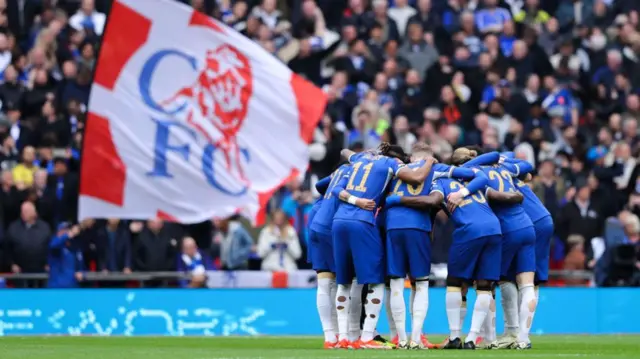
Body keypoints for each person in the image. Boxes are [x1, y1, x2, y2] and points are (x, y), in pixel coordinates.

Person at [389, 150, 511, 350]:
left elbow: (434, 200)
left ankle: (455, 336)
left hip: (469, 230)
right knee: (484, 285)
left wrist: (397, 200)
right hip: (494, 228)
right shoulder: (473, 178)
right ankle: (472, 338)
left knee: (454, 282)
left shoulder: (439, 181)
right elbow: (487, 167)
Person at [330, 143, 434, 349]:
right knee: (376, 282)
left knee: (344, 282)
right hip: (363, 221)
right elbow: (415, 178)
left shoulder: (359, 160)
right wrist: (430, 160)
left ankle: (344, 337)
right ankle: (367, 336)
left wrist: (354, 199)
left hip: (338, 221)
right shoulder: (391, 163)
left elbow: (342, 159)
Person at [459, 149, 537, 349]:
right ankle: (522, 339)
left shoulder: (474, 172)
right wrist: (502, 160)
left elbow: (467, 167)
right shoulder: (504, 168)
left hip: (507, 230)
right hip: (527, 226)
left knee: (488, 283)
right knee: (526, 284)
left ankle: (489, 338)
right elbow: (527, 166)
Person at [47, 222, 84, 288]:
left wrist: (81, 273)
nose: (66, 232)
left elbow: (80, 266)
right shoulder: (56, 245)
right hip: (57, 287)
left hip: (73, 287)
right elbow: (53, 245)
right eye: (63, 230)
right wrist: (69, 235)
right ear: (58, 232)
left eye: (67, 230)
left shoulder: (75, 247)